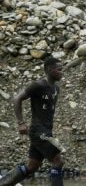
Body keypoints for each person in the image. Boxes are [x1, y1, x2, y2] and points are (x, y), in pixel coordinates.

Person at [0, 57, 65, 186]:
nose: (62, 72)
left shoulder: (56, 89)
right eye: (59, 69)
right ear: (50, 70)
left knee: (32, 166)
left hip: (46, 131)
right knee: (58, 161)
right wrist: (21, 122)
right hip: (38, 131)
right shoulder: (38, 85)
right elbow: (17, 98)